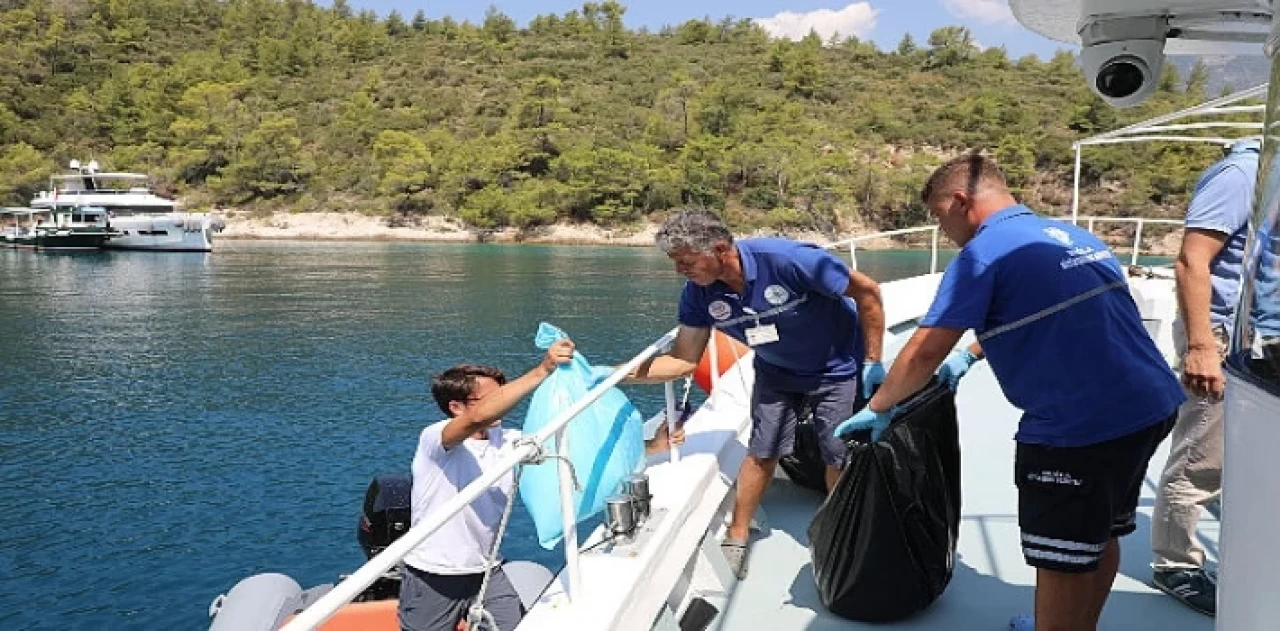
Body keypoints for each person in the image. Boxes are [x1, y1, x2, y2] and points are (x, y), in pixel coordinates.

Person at [836, 154, 1184, 631]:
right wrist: (973, 353)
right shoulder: (1072, 236)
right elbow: (1044, 308)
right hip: (1148, 406)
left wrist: (878, 408)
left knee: (1060, 559)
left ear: (960, 201)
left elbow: (922, 353)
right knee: (1098, 536)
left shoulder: (986, 252)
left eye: (939, 217)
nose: (944, 232)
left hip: (1081, 429)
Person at [621, 208, 886, 580]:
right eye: (674, 261)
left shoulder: (790, 260)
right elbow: (682, 361)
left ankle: (837, 530)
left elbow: (868, 292)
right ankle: (737, 535)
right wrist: (619, 374)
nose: (679, 270)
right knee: (762, 450)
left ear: (719, 248)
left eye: (685, 260)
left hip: (835, 367)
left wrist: (873, 360)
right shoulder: (698, 295)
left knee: (837, 451)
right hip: (776, 372)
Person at [400, 341, 685, 631]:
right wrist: (540, 371)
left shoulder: (512, 441)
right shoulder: (435, 441)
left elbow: (578, 454)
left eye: (503, 393)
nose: (504, 402)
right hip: (433, 576)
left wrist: (653, 446)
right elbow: (477, 418)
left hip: (486, 571)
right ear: (455, 407)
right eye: (492, 398)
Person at [1150, 137, 1260, 616]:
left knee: (1243, 448)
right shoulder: (1242, 174)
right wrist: (1201, 348)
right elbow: (1192, 260)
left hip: (1257, 336)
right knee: (1201, 452)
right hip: (1218, 336)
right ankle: (1175, 563)